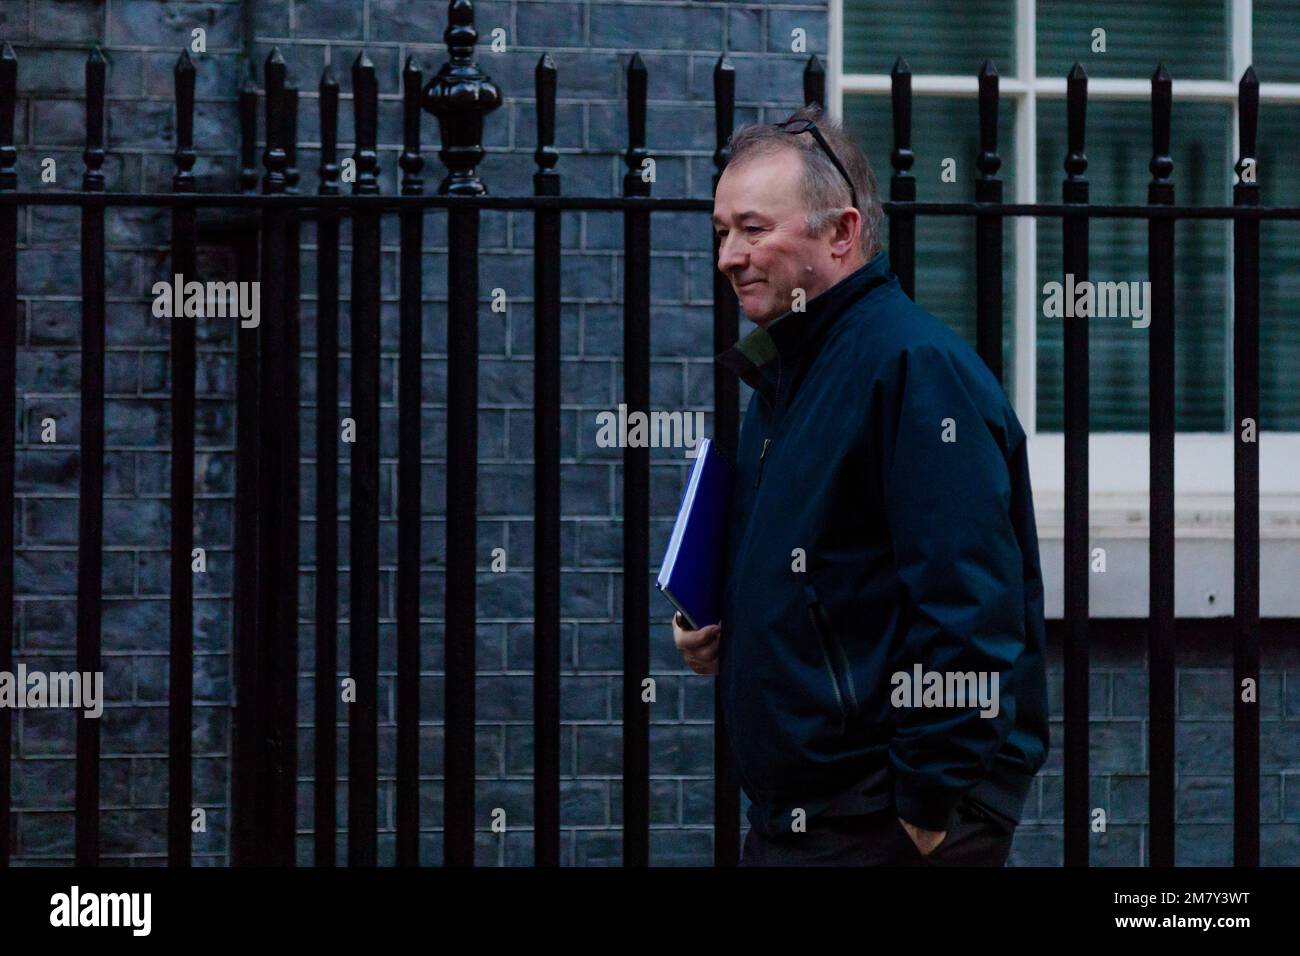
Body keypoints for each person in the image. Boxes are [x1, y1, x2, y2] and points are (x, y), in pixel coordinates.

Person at [671, 104, 1049, 866]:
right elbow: (834, 578)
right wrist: (724, 627)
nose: (729, 255)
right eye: (721, 233)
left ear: (841, 233)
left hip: (883, 820)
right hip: (805, 818)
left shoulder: (912, 368)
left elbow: (968, 605)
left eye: (753, 228)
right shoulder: (789, 372)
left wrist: (928, 807)